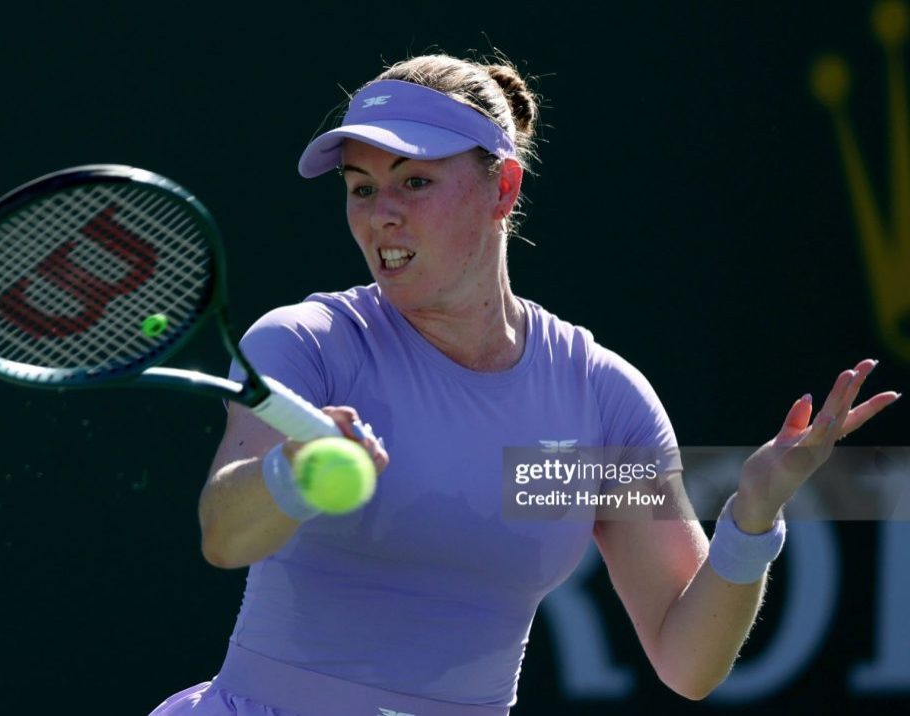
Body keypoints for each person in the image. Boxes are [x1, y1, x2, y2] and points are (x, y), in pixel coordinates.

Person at [147, 53, 900, 716]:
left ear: (502, 188)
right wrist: (296, 472)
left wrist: (753, 516)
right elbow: (225, 534)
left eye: (414, 181)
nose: (383, 216)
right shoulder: (308, 344)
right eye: (361, 187)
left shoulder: (599, 402)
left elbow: (688, 661)